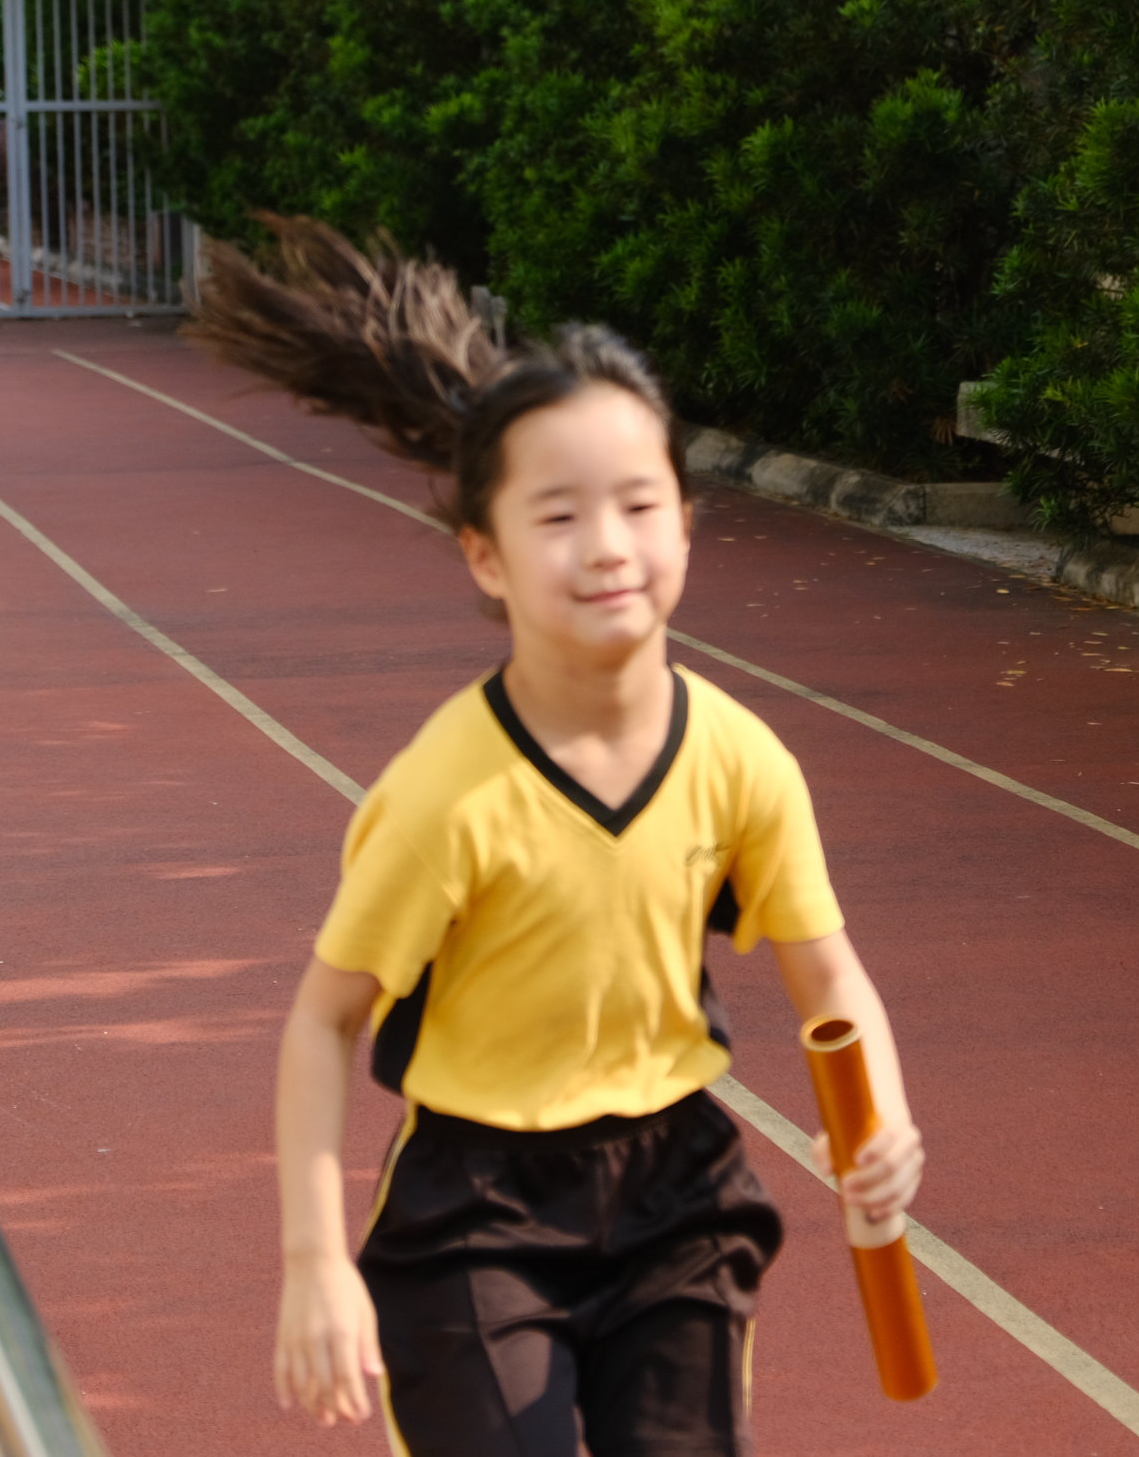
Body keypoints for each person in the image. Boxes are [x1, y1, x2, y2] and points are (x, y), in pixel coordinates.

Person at [188, 217, 925, 1456]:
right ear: (484, 555)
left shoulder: (741, 758)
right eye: (558, 516)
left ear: (685, 525)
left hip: (676, 1194)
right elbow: (323, 1020)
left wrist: (881, 1125)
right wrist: (313, 1259)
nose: (607, 546)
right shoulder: (448, 792)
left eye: (638, 503)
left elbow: (829, 977)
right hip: (477, 1213)